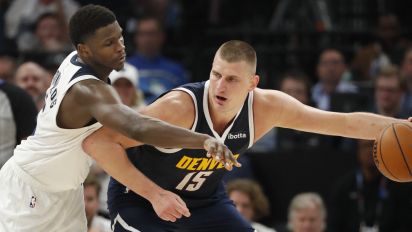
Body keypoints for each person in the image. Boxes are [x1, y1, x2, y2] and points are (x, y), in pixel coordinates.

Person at [83, 40, 412, 232]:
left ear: (253, 83)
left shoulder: (266, 108)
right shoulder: (179, 108)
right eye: (215, 75)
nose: (220, 86)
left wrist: (400, 126)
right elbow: (98, 142)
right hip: (140, 197)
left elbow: (343, 123)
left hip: (203, 201)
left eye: (232, 79)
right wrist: (155, 195)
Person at [0, 5, 237, 232]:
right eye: (109, 43)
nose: (120, 47)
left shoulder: (78, 58)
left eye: (120, 37)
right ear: (85, 50)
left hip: (66, 190)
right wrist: (203, 140)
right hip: (30, 188)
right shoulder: (87, 90)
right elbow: (137, 127)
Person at [327, 140, 412, 232]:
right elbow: (334, 224)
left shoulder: (398, 185)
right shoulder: (344, 186)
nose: (370, 151)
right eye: (365, 146)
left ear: (382, 151)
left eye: (374, 147)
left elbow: (406, 223)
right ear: (358, 152)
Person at [127, 15, 189, 103]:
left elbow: (185, 102)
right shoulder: (123, 68)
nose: (147, 39)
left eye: (152, 33)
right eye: (142, 34)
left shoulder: (177, 70)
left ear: (162, 36)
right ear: (136, 38)